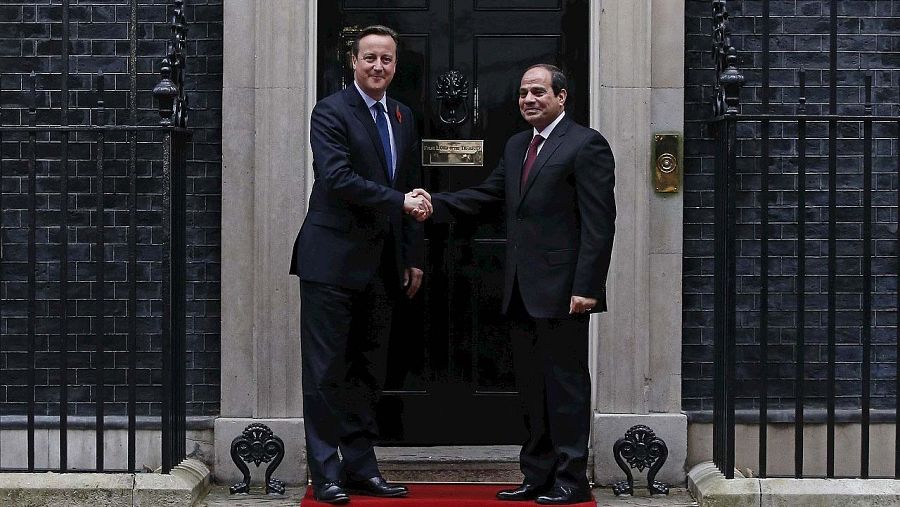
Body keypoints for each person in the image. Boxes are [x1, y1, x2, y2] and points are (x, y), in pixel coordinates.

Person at [417, 64, 615, 505]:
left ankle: (571, 480)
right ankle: (537, 475)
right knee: (531, 387)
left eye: (538, 92)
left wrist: (588, 287)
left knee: (565, 388)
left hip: (564, 291)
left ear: (561, 97)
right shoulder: (516, 145)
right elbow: (489, 196)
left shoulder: (586, 144)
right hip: (521, 288)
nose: (529, 99)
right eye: (524, 92)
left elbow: (600, 224)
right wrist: (435, 204)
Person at [289, 25, 432, 505]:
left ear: (395, 65)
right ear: (353, 61)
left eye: (386, 59)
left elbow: (410, 183)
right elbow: (337, 177)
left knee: (367, 372)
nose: (378, 66)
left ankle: (361, 468)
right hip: (330, 262)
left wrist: (412, 255)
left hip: (382, 265)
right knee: (325, 372)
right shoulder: (330, 112)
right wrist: (400, 202)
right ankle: (325, 473)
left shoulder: (402, 115)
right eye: (369, 57)